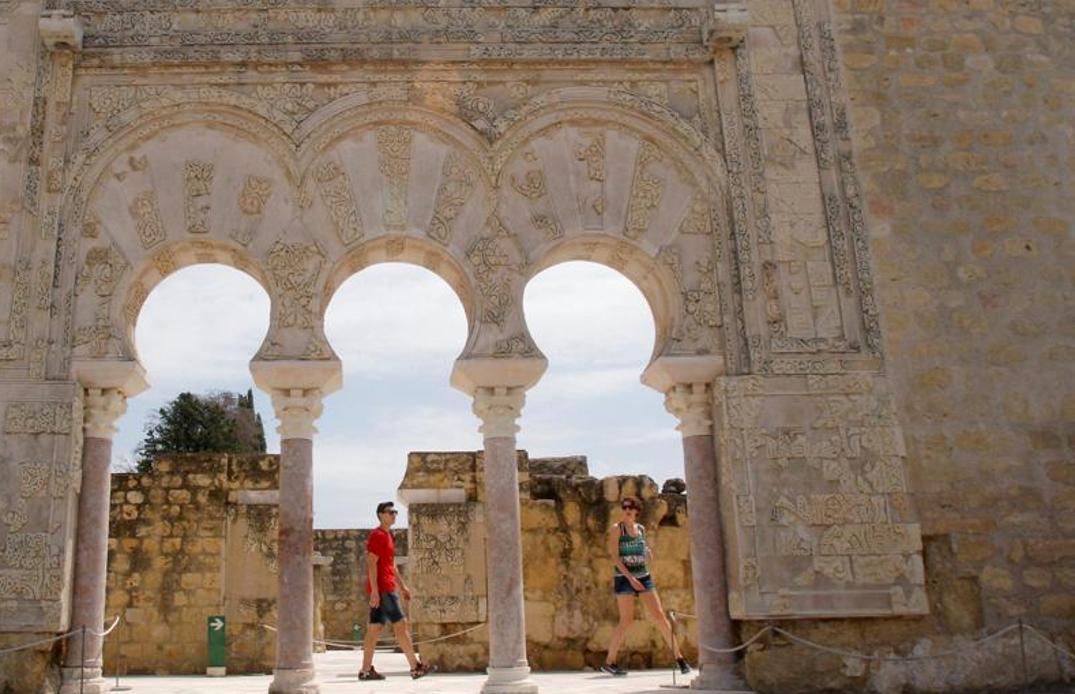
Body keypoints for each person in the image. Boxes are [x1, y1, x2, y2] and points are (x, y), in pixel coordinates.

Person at [601, 496, 691, 677]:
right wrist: (630, 578)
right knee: (626, 620)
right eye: (624, 506)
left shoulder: (640, 529)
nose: (627, 509)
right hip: (625, 578)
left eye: (631, 507)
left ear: (636, 511)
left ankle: (680, 659)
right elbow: (615, 558)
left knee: (660, 617)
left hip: (643, 576)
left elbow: (645, 552)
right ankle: (609, 662)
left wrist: (648, 554)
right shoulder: (617, 529)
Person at [358, 501, 434, 681]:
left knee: (374, 629)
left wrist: (403, 586)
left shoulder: (388, 535)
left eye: (395, 512)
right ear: (380, 515)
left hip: (387, 587)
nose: (393, 515)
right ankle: (415, 667)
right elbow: (371, 563)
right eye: (390, 512)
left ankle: (366, 670)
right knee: (401, 625)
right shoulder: (377, 535)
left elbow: (392, 566)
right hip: (384, 589)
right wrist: (375, 591)